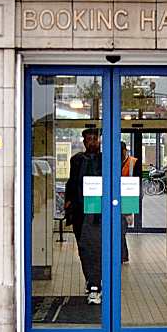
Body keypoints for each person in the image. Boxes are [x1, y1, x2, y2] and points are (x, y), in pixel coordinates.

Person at [65, 128, 103, 305]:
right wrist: (68, 204)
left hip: (99, 212)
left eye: (95, 138)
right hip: (81, 212)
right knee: (84, 249)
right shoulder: (77, 160)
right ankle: (91, 281)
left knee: (97, 248)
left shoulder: (106, 159)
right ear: (84, 142)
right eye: (89, 139)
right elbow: (71, 183)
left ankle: (96, 285)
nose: (92, 142)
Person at [120, 142, 142, 264]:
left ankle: (123, 255)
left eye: (121, 151)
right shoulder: (112, 161)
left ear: (125, 150)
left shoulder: (134, 162)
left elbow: (137, 184)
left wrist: (131, 208)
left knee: (122, 229)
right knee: (119, 229)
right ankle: (122, 255)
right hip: (116, 200)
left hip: (128, 200)